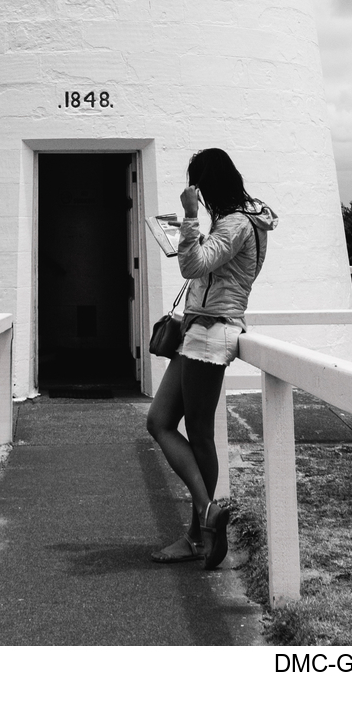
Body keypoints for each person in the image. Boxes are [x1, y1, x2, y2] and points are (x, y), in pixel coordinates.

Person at [145, 148, 276, 569]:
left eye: (197, 187)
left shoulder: (237, 223)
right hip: (198, 329)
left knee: (199, 434)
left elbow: (193, 265)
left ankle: (200, 530)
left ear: (209, 184)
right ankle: (205, 518)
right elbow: (208, 267)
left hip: (212, 334)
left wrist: (187, 219)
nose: (196, 195)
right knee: (159, 421)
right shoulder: (236, 221)